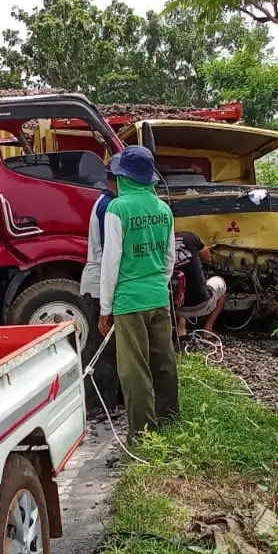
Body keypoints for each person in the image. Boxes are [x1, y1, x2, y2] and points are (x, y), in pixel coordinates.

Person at [98, 145, 179, 440]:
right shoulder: (164, 209)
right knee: (164, 363)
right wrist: (156, 283)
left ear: (124, 177)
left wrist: (105, 308)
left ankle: (144, 434)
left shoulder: (117, 209)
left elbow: (111, 263)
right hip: (159, 297)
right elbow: (170, 258)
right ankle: (170, 420)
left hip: (129, 302)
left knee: (135, 369)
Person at [79, 162, 121, 414]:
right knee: (104, 349)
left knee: (103, 346)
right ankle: (98, 406)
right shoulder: (108, 206)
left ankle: (106, 402)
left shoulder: (104, 202)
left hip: (97, 283)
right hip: (99, 286)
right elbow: (110, 254)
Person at [172, 229, 227, 338]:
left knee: (179, 288)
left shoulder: (162, 242)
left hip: (173, 309)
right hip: (202, 305)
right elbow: (207, 258)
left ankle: (181, 329)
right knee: (221, 283)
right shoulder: (190, 236)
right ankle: (208, 328)